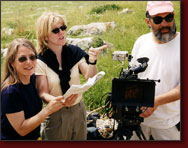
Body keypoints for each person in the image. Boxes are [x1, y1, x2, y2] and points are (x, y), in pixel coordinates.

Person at [35, 11, 107, 140]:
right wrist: (61, 101)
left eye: (63, 28)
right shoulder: (40, 60)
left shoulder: (74, 52)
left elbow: (89, 77)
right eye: (55, 30)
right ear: (45, 36)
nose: (61, 32)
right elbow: (43, 93)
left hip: (79, 110)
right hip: (56, 113)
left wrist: (92, 61)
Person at [130, 1, 180, 140]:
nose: (164, 24)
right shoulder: (141, 42)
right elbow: (132, 76)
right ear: (148, 22)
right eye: (158, 19)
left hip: (169, 123)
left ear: (174, 16)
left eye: (168, 17)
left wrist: (156, 101)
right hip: (138, 121)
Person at [1, 38, 65, 140]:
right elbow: (21, 129)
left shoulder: (33, 79)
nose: (29, 62)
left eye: (32, 57)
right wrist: (47, 110)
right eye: (22, 59)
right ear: (12, 63)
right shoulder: (10, 92)